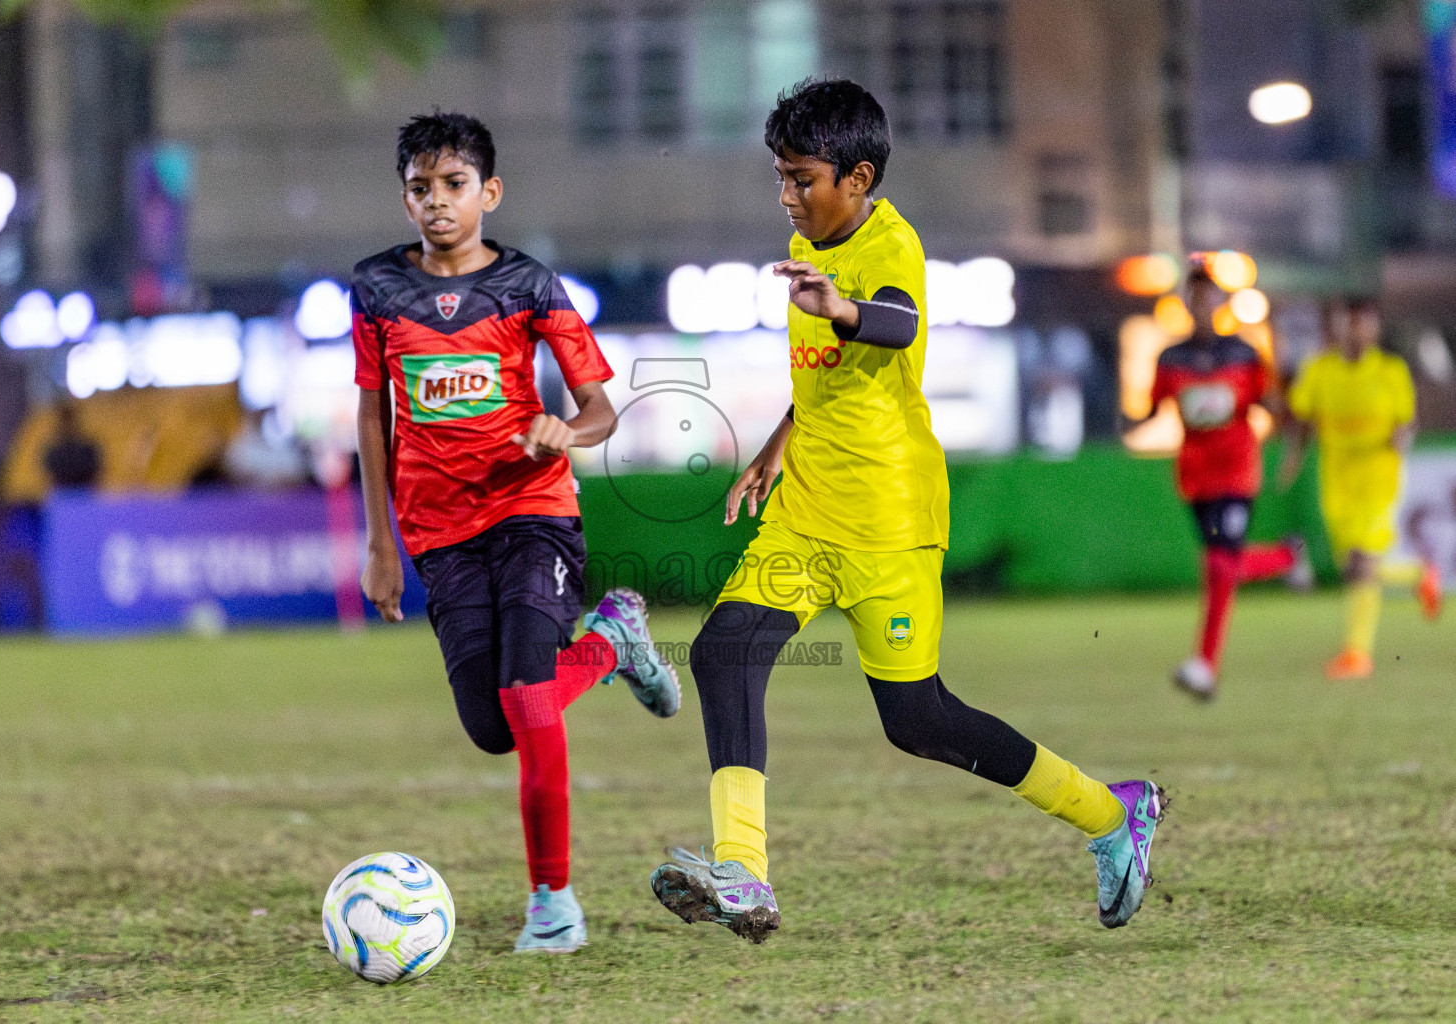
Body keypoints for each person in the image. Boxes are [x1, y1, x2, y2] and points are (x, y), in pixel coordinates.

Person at [648, 79, 1164, 945]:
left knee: (918, 720)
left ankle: (1112, 816)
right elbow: (823, 374)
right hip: (807, 512)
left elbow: (892, 323)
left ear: (857, 176)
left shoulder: (891, 246)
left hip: (889, 522)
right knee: (721, 652)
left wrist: (840, 308)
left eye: (800, 177)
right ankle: (742, 871)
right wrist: (781, 438)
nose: (786, 194)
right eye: (778, 176)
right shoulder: (807, 243)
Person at [353, 111, 681, 954]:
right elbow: (372, 411)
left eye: (454, 185)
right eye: (420, 189)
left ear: (488, 192)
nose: (437, 203)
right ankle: (613, 638)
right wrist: (381, 541)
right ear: (404, 199)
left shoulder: (531, 287)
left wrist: (562, 431)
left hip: (534, 513)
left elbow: (600, 409)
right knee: (492, 727)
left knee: (530, 698)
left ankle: (553, 904)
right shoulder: (377, 291)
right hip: (438, 533)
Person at [1154, 261, 1310, 700]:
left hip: (1238, 470)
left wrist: (1291, 417)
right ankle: (1286, 556)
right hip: (1195, 477)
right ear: (1185, 302)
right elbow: (1150, 407)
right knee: (1218, 567)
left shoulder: (1243, 353)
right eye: (1195, 296)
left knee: (1221, 564)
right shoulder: (1171, 358)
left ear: (1220, 302)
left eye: (1209, 296)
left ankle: (1204, 664)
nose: (1202, 304)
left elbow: (1269, 404)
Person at [1279, 297, 1441, 680]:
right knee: (1354, 568)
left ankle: (1357, 655)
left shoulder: (1390, 370)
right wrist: (1293, 458)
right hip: (1337, 480)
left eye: (1362, 324)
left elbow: (1406, 421)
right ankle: (1419, 577)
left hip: (1377, 477)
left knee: (1360, 563)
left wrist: (1402, 437)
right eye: (1348, 323)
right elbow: (1303, 417)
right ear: (1337, 328)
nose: (1354, 331)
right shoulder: (1319, 370)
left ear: (1374, 329)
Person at [42, 403, 101, 489]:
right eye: (64, 421)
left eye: (69, 420)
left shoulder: (86, 449)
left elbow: (95, 470)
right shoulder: (53, 452)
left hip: (85, 492)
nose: (67, 425)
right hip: (62, 493)